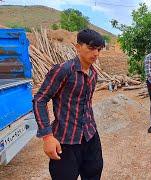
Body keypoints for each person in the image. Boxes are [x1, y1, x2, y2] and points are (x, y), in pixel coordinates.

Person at [33, 29, 105, 179]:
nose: (96, 53)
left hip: (90, 136)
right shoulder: (64, 70)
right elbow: (40, 100)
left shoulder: (94, 73)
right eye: (91, 48)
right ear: (78, 47)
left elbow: (86, 104)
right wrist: (47, 137)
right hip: (66, 140)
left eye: (99, 49)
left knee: (94, 173)